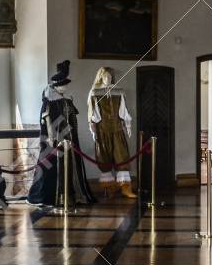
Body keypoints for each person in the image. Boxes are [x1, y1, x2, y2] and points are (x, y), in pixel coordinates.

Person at [27, 60, 96, 207]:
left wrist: (72, 137)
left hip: (69, 140)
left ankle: (71, 195)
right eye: (63, 84)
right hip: (54, 142)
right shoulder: (49, 102)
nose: (66, 87)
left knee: (70, 167)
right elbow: (47, 122)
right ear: (57, 86)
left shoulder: (67, 101)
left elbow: (72, 120)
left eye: (66, 84)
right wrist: (52, 139)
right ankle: (50, 198)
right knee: (51, 169)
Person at [87, 67, 137, 199]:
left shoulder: (118, 91)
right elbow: (93, 112)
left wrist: (128, 125)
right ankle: (109, 187)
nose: (108, 79)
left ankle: (126, 188)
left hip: (117, 129)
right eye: (105, 77)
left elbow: (123, 110)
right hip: (102, 129)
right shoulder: (95, 92)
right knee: (104, 157)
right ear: (101, 77)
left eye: (110, 77)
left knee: (122, 157)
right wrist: (93, 127)